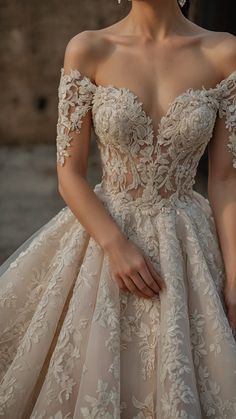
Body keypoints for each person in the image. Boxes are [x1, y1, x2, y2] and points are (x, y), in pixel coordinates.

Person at [1, 0, 236, 417]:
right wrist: (115, 245)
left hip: (189, 248)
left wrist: (235, 280)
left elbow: (225, 181)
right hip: (104, 238)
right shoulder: (89, 49)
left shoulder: (223, 53)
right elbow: (68, 174)